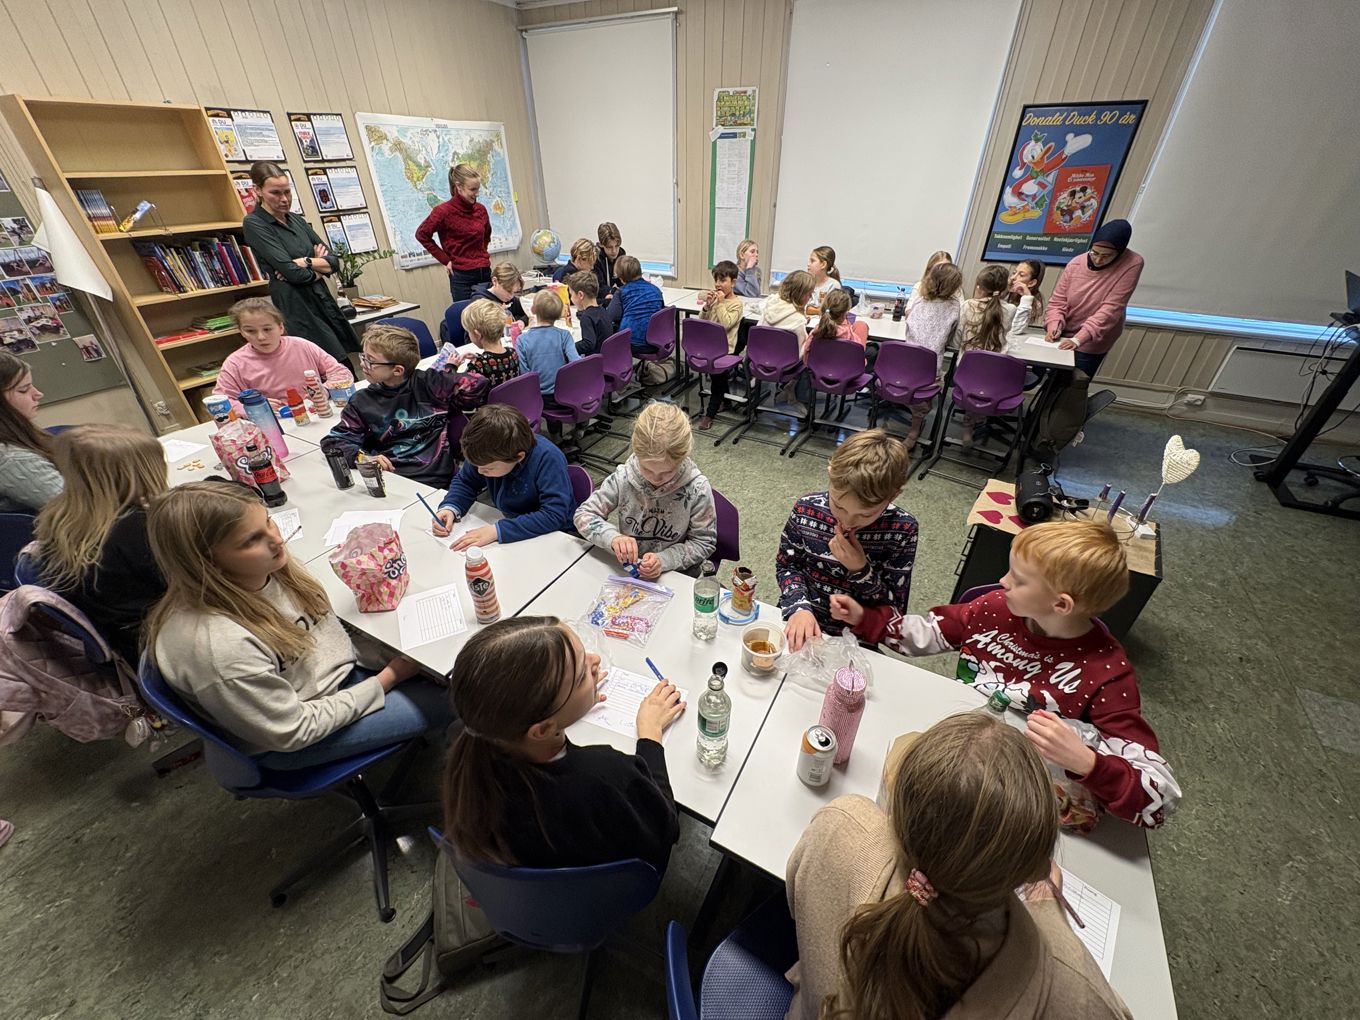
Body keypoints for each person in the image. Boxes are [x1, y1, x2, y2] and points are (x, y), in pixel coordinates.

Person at [830, 519, 1180, 829]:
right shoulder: (993, 608)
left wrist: (1088, 762)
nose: (1002, 580)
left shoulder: (1107, 674)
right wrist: (866, 619)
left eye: (1018, 579)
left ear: (1061, 605)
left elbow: (1159, 800)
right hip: (960, 754)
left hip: (1023, 799)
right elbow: (926, 633)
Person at [785, 712, 1133, 1020]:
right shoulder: (1072, 988)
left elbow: (796, 903)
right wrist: (1050, 918)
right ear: (1036, 869)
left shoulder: (841, 823)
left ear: (896, 812)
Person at [146, 481, 453, 768]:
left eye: (267, 521)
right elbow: (293, 731)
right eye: (252, 539)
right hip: (297, 738)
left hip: (330, 683)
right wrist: (390, 677)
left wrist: (401, 661)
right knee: (464, 698)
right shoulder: (219, 646)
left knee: (451, 668)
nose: (276, 538)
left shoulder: (265, 570)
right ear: (207, 561)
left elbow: (323, 633)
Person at [441, 616, 683, 872]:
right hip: (614, 889)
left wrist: (571, 702)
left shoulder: (468, 739)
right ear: (543, 729)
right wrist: (650, 734)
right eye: (580, 677)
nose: (595, 661)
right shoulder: (605, 774)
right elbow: (666, 826)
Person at [33, 425, 167, 666]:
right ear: (136, 475)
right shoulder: (136, 531)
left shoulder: (62, 517)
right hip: (157, 639)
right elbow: (193, 580)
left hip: (123, 636)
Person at [777, 428, 916, 651]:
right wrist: (799, 607)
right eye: (839, 506)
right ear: (830, 474)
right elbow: (788, 566)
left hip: (857, 642)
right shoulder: (806, 508)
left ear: (894, 495)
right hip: (800, 621)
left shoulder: (902, 530)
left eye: (866, 514)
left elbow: (894, 613)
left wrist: (861, 570)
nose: (848, 521)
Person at [319, 323, 487, 486]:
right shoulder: (362, 401)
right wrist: (364, 458)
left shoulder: (430, 383)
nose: (362, 364)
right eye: (363, 357)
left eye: (370, 360)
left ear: (398, 370)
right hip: (394, 479)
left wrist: (449, 401)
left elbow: (478, 384)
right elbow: (334, 442)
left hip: (435, 477)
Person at [574, 401, 717, 580]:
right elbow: (584, 515)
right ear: (636, 453)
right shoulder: (624, 477)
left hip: (677, 576)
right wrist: (613, 538)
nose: (655, 478)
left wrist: (664, 560)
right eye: (647, 469)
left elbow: (704, 542)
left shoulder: (697, 489)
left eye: (667, 472)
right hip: (629, 571)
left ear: (683, 458)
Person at [240, 161, 357, 362]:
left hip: (321, 297)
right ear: (257, 191)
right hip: (296, 304)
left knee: (343, 359)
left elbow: (334, 261)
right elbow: (293, 272)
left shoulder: (295, 219)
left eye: (287, 192)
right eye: (275, 193)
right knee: (325, 362)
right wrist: (317, 264)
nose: (284, 199)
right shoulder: (254, 223)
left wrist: (305, 262)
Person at [433, 404, 575, 550]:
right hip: (513, 523)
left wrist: (497, 531)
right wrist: (451, 507)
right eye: (477, 466)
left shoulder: (548, 458)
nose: (480, 472)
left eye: (488, 468)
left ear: (518, 457)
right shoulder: (484, 452)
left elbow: (554, 515)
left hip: (557, 535)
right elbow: (466, 482)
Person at [213, 297, 353, 414]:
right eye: (250, 331)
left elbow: (340, 372)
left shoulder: (302, 346)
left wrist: (325, 390)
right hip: (273, 423)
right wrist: (252, 407)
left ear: (280, 327)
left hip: (315, 413)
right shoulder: (235, 363)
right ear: (242, 332)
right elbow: (219, 403)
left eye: (267, 329)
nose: (261, 337)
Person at [1045, 219, 1144, 378]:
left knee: (1073, 387)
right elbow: (1058, 302)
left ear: (1119, 252)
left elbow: (1111, 309)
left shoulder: (1132, 263)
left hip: (1093, 340)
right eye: (1094, 253)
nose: (1098, 260)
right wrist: (1054, 325)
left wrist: (1078, 340)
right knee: (1052, 380)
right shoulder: (1076, 263)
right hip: (1065, 332)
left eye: (1106, 256)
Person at [959, 265, 1035, 448]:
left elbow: (957, 338)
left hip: (965, 375)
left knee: (974, 384)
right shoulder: (1009, 310)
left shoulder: (967, 305)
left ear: (979, 286)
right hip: (995, 378)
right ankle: (980, 418)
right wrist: (1026, 298)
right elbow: (1017, 329)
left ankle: (968, 429)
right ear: (1004, 290)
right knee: (986, 383)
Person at [903, 261, 963, 449]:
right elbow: (953, 339)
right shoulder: (954, 306)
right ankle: (914, 430)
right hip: (929, 372)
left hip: (902, 369)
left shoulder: (919, 301)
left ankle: (914, 421)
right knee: (928, 386)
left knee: (918, 379)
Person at [415, 162, 492, 302]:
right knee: (466, 319)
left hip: (484, 272)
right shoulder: (443, 212)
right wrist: (445, 260)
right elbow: (422, 234)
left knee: (489, 317)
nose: (477, 194)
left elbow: (486, 234)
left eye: (478, 189)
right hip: (462, 277)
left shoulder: (481, 210)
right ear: (459, 187)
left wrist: (481, 254)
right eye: (473, 189)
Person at [0, 351, 61, 513]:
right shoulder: (12, 459)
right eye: (23, 390)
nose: (38, 394)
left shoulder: (18, 437)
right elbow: (82, 509)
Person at [697, 260, 745, 431]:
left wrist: (721, 304)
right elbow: (701, 321)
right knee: (720, 376)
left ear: (733, 282)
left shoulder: (736, 304)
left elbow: (726, 324)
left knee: (718, 378)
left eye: (723, 280)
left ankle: (709, 414)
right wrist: (707, 306)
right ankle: (726, 402)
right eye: (716, 280)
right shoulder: (717, 301)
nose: (718, 284)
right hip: (709, 346)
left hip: (725, 350)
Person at [761, 270, 815, 415]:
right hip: (784, 365)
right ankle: (801, 399)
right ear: (800, 294)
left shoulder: (769, 306)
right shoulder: (797, 321)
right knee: (812, 351)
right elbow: (798, 355)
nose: (810, 297)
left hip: (760, 362)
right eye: (809, 294)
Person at [514, 289, 579, 402]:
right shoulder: (564, 335)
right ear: (560, 313)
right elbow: (575, 362)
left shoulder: (522, 340)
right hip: (564, 393)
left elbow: (524, 374)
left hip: (537, 396)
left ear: (532, 310)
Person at [458, 298, 520, 388]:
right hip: (512, 401)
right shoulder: (513, 353)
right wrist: (480, 358)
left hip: (490, 402)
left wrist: (452, 367)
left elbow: (460, 390)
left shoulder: (476, 366)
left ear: (477, 334)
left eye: (469, 332)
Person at [608, 255, 664, 355]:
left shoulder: (621, 292)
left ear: (621, 277)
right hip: (658, 341)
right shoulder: (656, 290)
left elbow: (611, 316)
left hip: (633, 343)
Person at [567, 272, 614, 356]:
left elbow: (588, 344)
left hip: (594, 362)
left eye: (571, 295)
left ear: (580, 295)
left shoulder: (587, 317)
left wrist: (569, 347)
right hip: (607, 356)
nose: (571, 298)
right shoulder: (603, 310)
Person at [470, 262, 529, 326]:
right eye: (508, 291)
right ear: (495, 281)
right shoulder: (480, 301)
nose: (511, 296)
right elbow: (486, 329)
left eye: (514, 292)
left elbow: (531, 311)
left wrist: (522, 321)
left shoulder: (508, 299)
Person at [593, 221, 626, 302]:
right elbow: (597, 287)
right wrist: (614, 291)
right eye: (609, 247)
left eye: (617, 246)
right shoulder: (595, 258)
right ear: (601, 244)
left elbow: (623, 280)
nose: (614, 251)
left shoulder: (621, 254)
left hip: (613, 296)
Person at [1007, 258, 1046, 325]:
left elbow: (1016, 327)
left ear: (1031, 283)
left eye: (1021, 275)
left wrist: (1027, 298)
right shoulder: (1003, 291)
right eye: (1014, 273)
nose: (1013, 278)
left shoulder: (1035, 304)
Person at [806, 245, 843, 310]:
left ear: (823, 264)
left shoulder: (834, 286)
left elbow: (829, 311)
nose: (808, 264)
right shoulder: (805, 283)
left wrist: (811, 310)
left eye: (812, 261)